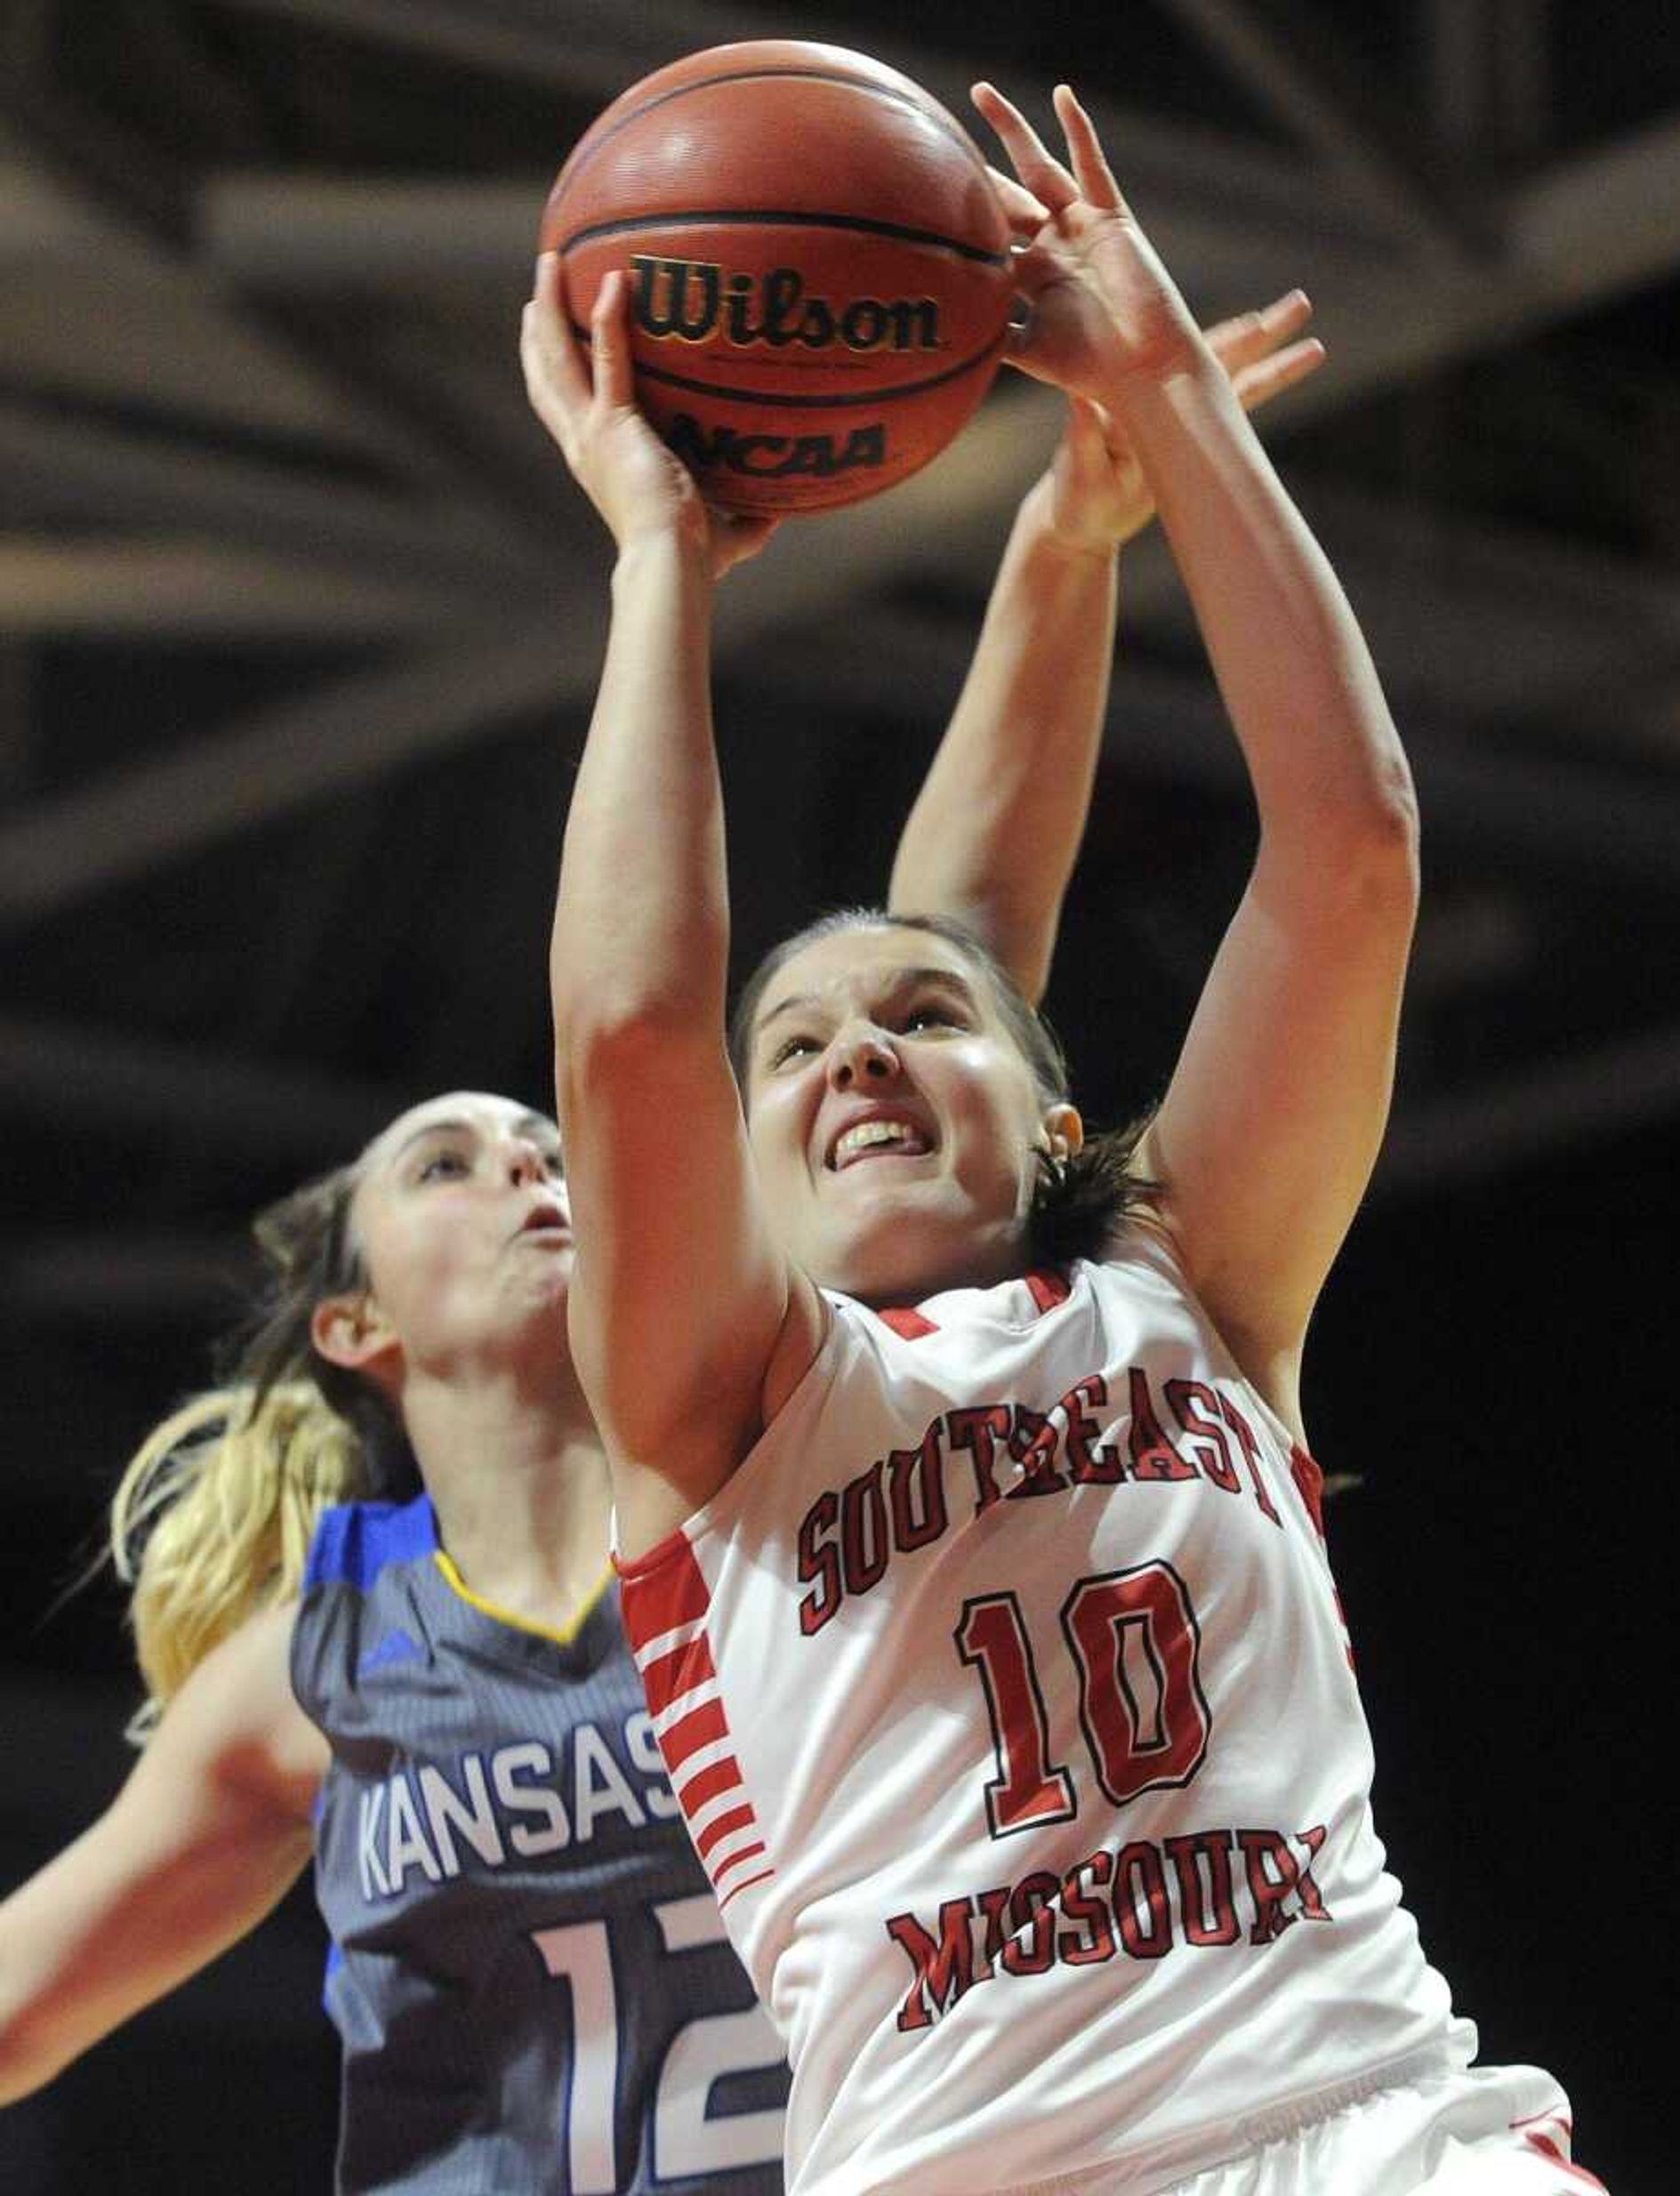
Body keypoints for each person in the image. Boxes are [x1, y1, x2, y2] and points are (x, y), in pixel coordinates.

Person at [0, 253, 1324, 2192]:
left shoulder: (789, 1443)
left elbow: (956, 948)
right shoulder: (334, 1658)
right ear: (358, 1326)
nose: (535, 1168)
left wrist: (1061, 549)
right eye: (444, 1163)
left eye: (548, 1140)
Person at [535, 78, 1604, 2196]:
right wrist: (662, 555)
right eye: (800, 1048)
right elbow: (639, 1015)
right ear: (730, 1182)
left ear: (1051, 1107)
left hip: (1369, 2127)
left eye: (925, 1013)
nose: (855, 1055)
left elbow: (1354, 847)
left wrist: (1167, 389)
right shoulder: (718, 1408)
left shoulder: (1194, 1286)